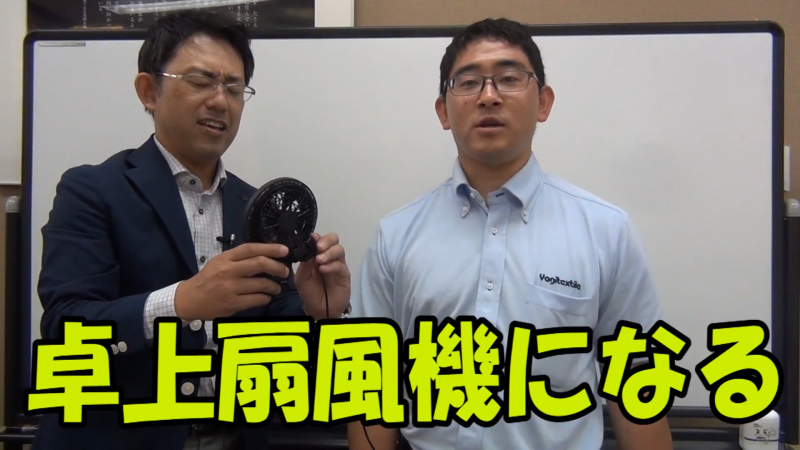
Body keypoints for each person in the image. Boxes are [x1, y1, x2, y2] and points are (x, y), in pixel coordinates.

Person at [32, 10, 351, 450]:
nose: (220, 101)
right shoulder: (92, 190)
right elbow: (65, 326)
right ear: (150, 91)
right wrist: (182, 302)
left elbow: (281, 338)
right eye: (201, 81)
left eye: (234, 88)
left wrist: (320, 312)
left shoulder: (257, 207)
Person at [347, 18, 672, 450]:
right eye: (468, 82)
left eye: (509, 78)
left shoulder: (606, 232)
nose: (488, 96)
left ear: (543, 103)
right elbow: (372, 386)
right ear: (443, 111)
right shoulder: (396, 236)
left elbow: (639, 389)